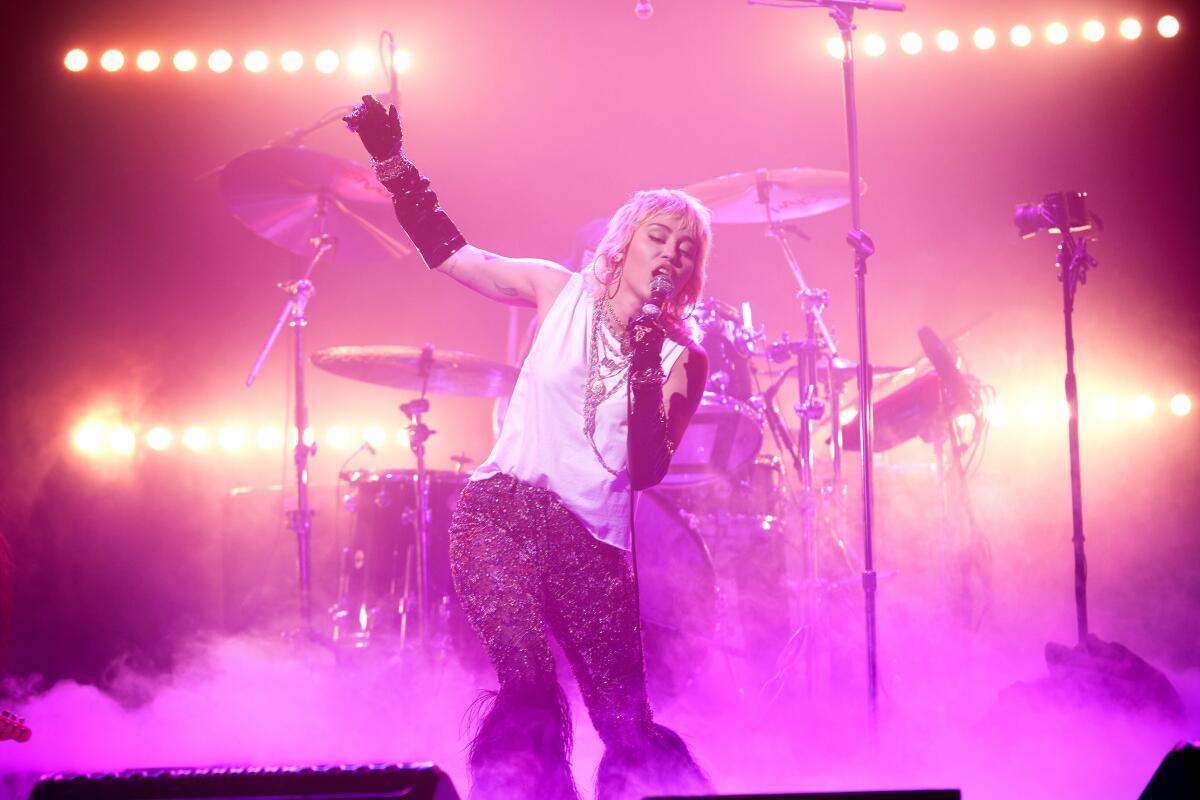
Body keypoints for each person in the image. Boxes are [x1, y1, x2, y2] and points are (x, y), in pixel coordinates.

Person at [345, 96, 714, 800]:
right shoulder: (558, 288)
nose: (671, 252)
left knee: (627, 726)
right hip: (501, 515)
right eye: (659, 236)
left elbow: (645, 470)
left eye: (686, 247)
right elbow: (453, 257)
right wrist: (394, 166)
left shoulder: (680, 359)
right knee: (530, 683)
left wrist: (643, 366)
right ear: (626, 240)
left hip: (593, 549)